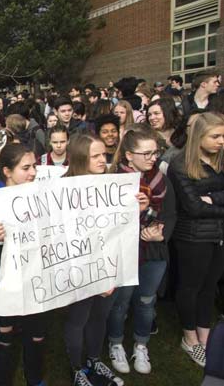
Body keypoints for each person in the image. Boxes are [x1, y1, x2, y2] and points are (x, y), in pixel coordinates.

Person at [62, 133, 148, 386]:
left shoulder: (113, 186)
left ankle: (93, 359)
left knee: (100, 315)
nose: (103, 159)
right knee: (79, 318)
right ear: (79, 158)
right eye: (96, 156)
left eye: (104, 155)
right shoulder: (62, 190)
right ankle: (77, 368)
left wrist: (136, 210)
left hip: (109, 266)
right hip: (78, 268)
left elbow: (118, 229)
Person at [0, 143, 47, 386]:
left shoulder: (43, 196)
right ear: (7, 171)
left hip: (37, 279)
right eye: (25, 168)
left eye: (34, 166)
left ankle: (35, 378)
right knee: (4, 334)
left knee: (37, 333)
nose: (33, 172)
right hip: (2, 284)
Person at [106, 126, 176, 375]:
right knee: (120, 302)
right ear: (128, 155)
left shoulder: (161, 180)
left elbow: (171, 213)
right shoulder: (111, 181)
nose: (152, 158)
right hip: (124, 253)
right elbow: (106, 223)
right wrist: (139, 214)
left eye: (154, 153)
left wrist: (161, 231)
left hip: (154, 253)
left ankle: (141, 344)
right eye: (145, 154)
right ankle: (115, 343)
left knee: (147, 301)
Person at [167, 112, 224, 367]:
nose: (221, 141)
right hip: (192, 237)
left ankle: (205, 333)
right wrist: (211, 199)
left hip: (219, 234)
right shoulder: (180, 165)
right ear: (199, 136)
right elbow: (193, 208)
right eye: (215, 136)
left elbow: (205, 204)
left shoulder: (221, 160)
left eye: (223, 135)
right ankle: (190, 338)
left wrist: (214, 198)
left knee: (210, 286)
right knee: (191, 286)